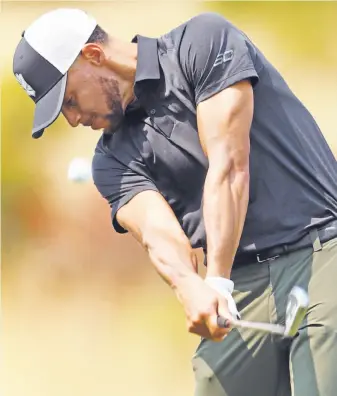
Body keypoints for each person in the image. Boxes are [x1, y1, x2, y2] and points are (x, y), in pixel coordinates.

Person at [12, 8, 337, 396]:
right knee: (213, 381)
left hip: (320, 252)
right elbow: (157, 233)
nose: (72, 119)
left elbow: (230, 166)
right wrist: (189, 286)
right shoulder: (111, 159)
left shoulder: (202, 43)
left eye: (68, 100)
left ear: (94, 56)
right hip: (242, 286)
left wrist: (215, 280)